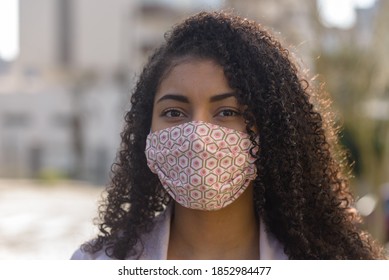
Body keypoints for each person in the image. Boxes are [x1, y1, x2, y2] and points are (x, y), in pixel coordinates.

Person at [71, 11, 386, 260]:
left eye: (227, 112)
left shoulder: (335, 265)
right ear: (146, 132)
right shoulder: (95, 264)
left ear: (271, 131)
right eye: (174, 113)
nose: (197, 135)